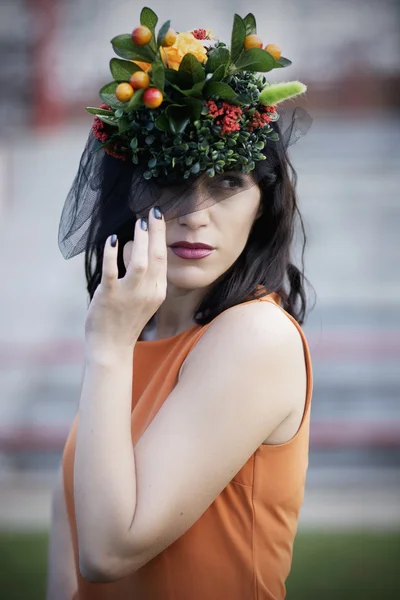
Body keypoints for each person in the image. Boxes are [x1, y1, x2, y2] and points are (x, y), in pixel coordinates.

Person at [46, 8, 314, 600]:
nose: (194, 212)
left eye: (225, 183)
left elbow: (107, 552)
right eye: (168, 179)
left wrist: (109, 348)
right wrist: (117, 344)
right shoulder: (131, 338)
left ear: (263, 203)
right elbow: (67, 568)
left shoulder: (254, 338)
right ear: (130, 193)